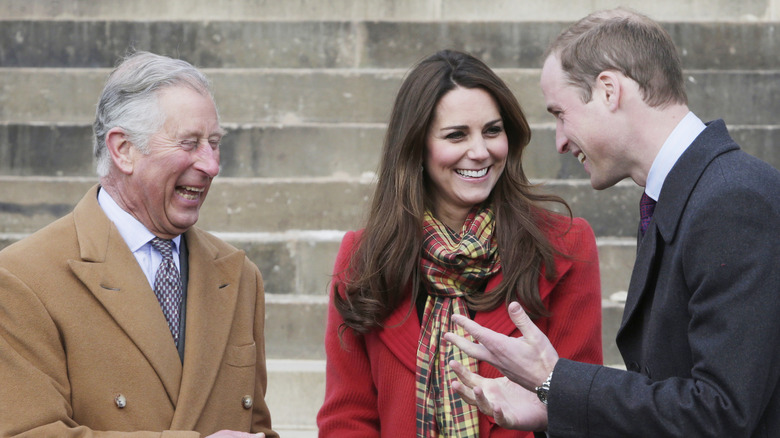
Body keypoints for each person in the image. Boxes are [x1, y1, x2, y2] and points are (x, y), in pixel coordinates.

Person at [445, 8, 780, 437]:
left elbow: (720, 415)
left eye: (559, 113)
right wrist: (555, 404)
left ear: (608, 91)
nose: (561, 141)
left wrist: (555, 381)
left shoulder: (733, 200)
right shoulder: (689, 195)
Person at [316, 49, 603, 437]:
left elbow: (584, 412)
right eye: (456, 135)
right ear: (417, 147)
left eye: (492, 130)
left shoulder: (565, 245)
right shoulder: (365, 258)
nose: (481, 152)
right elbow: (347, 420)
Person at [0, 51, 277, 438]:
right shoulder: (23, 279)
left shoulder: (240, 276)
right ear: (123, 150)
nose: (211, 165)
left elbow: (256, 426)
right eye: (189, 143)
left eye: (214, 143)